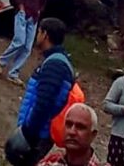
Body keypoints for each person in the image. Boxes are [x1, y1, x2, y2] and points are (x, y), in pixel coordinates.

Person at [5, 18, 74, 163]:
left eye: (39, 32)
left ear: (45, 35)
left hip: (38, 135)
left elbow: (44, 103)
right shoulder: (56, 61)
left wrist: (28, 132)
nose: (37, 35)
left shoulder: (55, 64)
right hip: (38, 132)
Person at [0, 0, 56, 85]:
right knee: (19, 41)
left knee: (27, 47)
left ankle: (13, 72)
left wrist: (39, 10)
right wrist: (21, 7)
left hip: (33, 16)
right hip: (23, 12)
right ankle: (2, 61)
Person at [36, 104, 104, 166]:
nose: (72, 132)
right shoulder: (49, 163)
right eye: (68, 124)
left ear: (93, 135)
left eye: (80, 127)